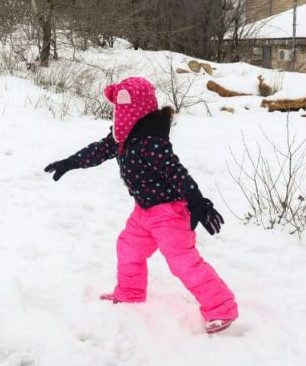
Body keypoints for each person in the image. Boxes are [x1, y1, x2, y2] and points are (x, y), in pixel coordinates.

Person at [44, 76, 238, 334]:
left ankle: (221, 308)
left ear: (140, 107)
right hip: (144, 211)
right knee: (128, 249)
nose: (119, 111)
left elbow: (176, 172)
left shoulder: (152, 142)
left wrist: (197, 201)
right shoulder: (122, 137)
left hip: (170, 213)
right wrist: (69, 162)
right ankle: (130, 293)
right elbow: (97, 151)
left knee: (183, 263)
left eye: (124, 104)